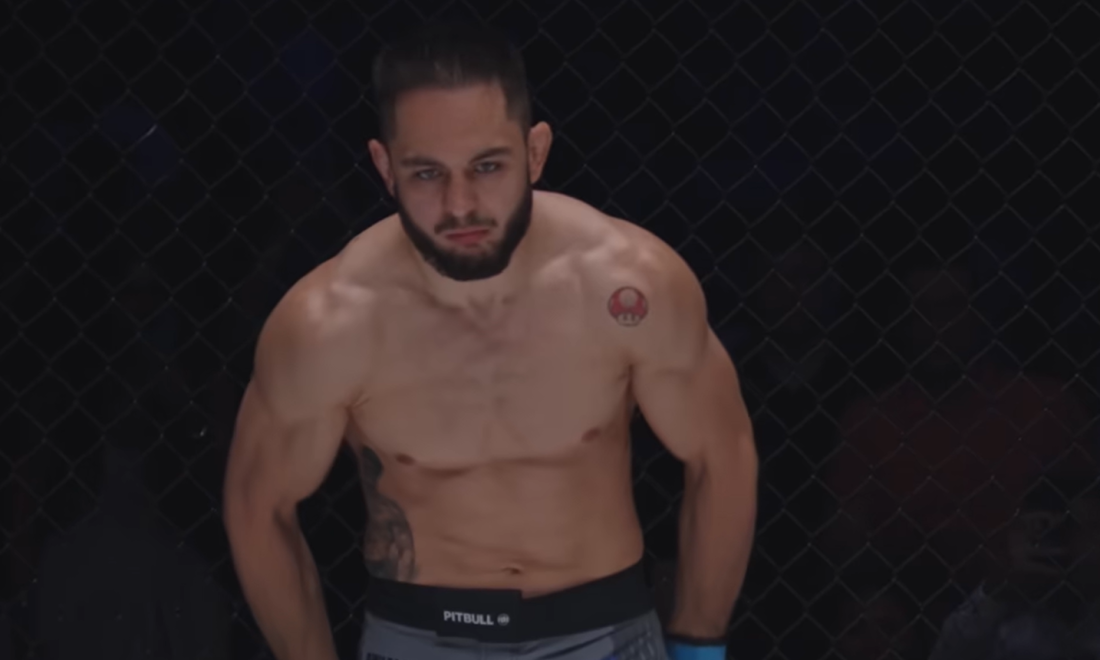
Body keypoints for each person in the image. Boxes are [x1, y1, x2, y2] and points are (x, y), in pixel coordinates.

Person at [222, 21, 758, 660]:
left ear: (535, 152)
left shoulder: (626, 284)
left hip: (604, 633)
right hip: (420, 637)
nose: (460, 204)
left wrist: (699, 650)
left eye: (487, 166)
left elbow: (722, 454)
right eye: (427, 173)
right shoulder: (331, 321)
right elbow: (258, 506)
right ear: (385, 167)